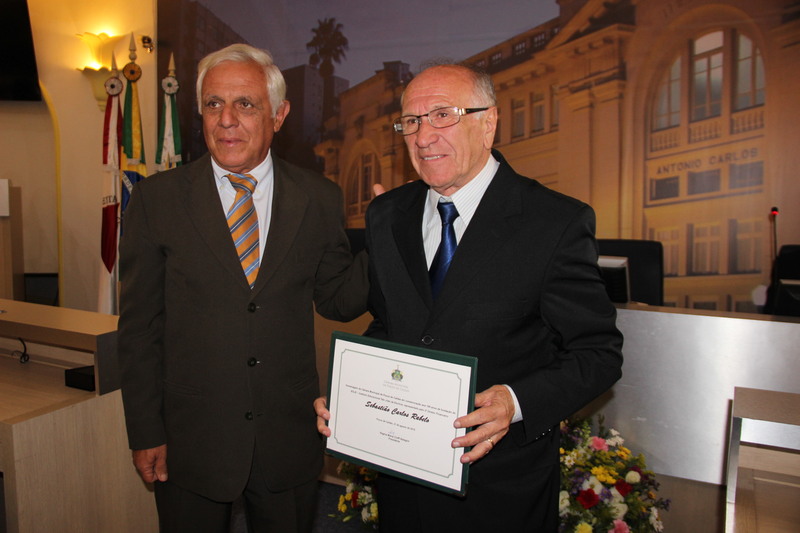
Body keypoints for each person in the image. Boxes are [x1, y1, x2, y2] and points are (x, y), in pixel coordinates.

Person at [315, 63, 623, 531]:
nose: (422, 137)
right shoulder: (387, 215)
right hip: (403, 481)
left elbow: (598, 354)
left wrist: (514, 403)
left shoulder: (553, 222)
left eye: (443, 115)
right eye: (412, 122)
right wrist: (353, 392)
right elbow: (394, 323)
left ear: (488, 123)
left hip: (501, 489)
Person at [117, 43, 367, 533]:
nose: (226, 119)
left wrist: (390, 240)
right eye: (213, 104)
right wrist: (145, 430)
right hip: (191, 442)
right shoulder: (157, 199)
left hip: (287, 438)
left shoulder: (319, 198)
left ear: (279, 114)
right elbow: (140, 328)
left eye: (245, 104)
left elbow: (337, 299)